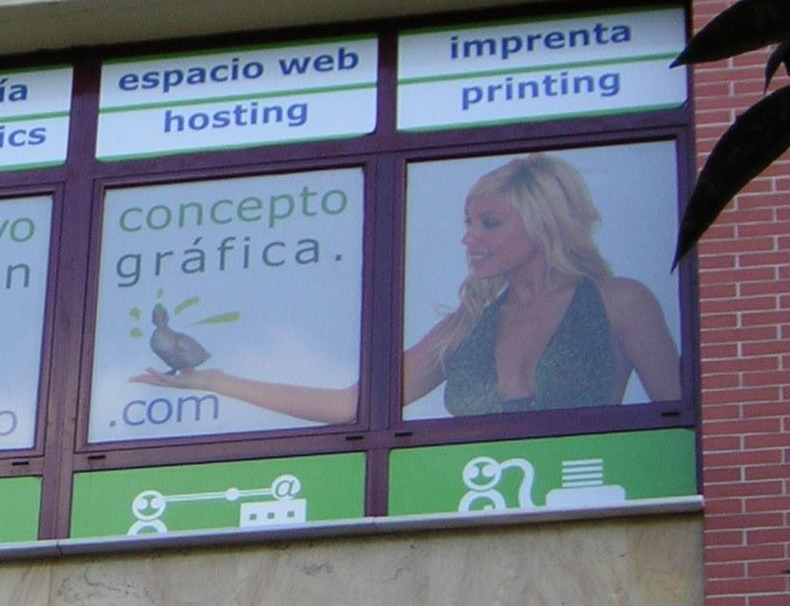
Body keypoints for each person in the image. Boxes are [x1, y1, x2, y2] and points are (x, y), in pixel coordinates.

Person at [133, 153, 682, 423]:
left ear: (543, 222)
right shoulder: (467, 327)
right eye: (468, 223)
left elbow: (682, 421)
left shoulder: (621, 303)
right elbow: (354, 405)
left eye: (489, 223)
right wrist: (216, 380)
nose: (469, 239)